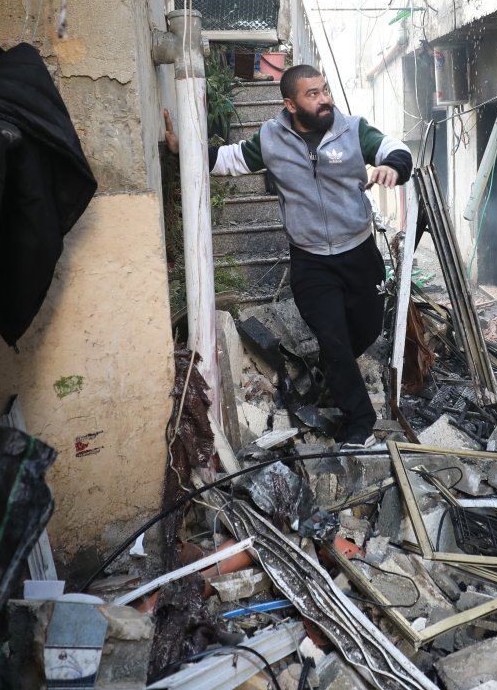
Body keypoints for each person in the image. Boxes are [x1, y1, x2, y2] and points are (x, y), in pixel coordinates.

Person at [163, 64, 412, 445]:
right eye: (313, 94)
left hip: (360, 252)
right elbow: (230, 160)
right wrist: (186, 150)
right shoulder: (271, 138)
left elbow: (393, 148)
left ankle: (331, 371)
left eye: (325, 90)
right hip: (310, 260)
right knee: (332, 336)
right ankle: (360, 419)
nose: (325, 99)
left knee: (366, 329)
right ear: (290, 104)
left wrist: (392, 167)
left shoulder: (352, 129)